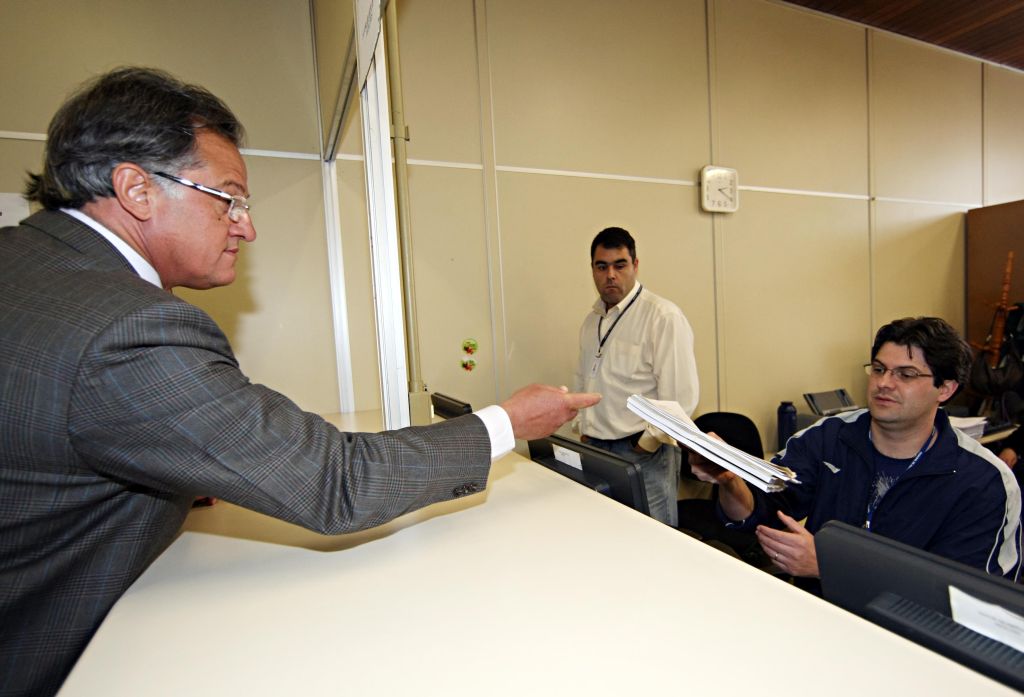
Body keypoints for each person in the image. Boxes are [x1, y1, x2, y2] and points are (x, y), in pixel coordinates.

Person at [0, 67, 600, 696]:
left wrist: (184, 465)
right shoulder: (126, 326)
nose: (247, 227)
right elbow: (335, 482)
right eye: (229, 199)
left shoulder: (32, 271)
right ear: (137, 189)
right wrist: (510, 421)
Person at [692, 317, 1021, 584]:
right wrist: (730, 480)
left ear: (945, 389)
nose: (884, 383)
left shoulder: (984, 481)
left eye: (905, 374)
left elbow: (965, 597)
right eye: (878, 369)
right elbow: (761, 511)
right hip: (819, 619)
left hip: (911, 645)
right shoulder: (829, 437)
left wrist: (834, 566)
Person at [573, 227, 699, 526]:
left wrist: (645, 445)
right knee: (609, 536)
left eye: (620, 265)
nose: (611, 275)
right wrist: (583, 427)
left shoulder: (662, 317)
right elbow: (582, 379)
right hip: (596, 448)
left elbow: (681, 399)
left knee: (655, 541)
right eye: (602, 266)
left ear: (635, 265)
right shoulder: (592, 322)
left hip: (642, 453)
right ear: (592, 269)